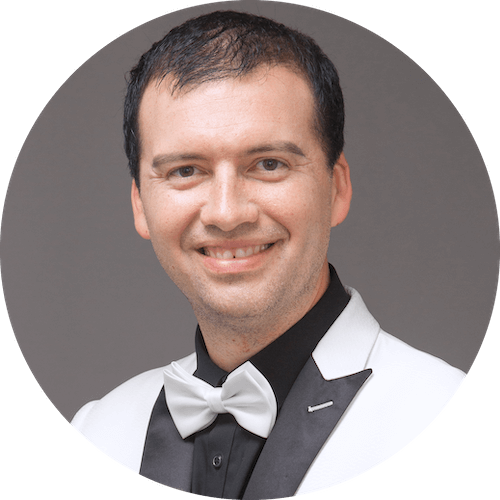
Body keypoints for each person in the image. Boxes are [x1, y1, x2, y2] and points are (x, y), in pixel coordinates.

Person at [70, 10, 466, 498]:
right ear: (140, 204)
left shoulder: (435, 406)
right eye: (185, 170)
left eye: (269, 164)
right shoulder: (98, 429)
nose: (226, 213)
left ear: (337, 188)